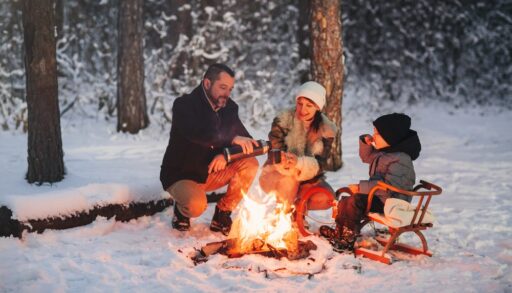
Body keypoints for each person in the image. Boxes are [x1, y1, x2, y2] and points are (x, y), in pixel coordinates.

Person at [160, 63, 259, 235]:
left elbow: (245, 140)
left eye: (230, 89)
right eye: (222, 87)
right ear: (207, 83)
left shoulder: (229, 108)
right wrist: (231, 139)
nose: (226, 94)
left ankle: (222, 213)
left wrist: (225, 155)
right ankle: (181, 209)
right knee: (196, 206)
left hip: (211, 172)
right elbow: (198, 133)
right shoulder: (184, 105)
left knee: (250, 163)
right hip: (182, 175)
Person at [320, 113, 421, 252]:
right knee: (347, 200)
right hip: (382, 197)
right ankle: (340, 231)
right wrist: (365, 142)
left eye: (377, 133)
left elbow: (388, 187)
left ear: (390, 137)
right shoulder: (385, 152)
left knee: (354, 201)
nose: (374, 136)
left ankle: (346, 238)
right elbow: (366, 157)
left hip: (392, 202)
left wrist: (361, 188)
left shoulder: (400, 160)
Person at [259, 81, 337, 214]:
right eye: (300, 104)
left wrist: (300, 163)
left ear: (318, 107)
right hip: (277, 174)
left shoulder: (326, 129)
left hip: (307, 177)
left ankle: (298, 212)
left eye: (309, 105)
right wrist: (285, 160)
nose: (303, 110)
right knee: (290, 178)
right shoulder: (283, 120)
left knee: (326, 197)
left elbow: (320, 163)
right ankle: (283, 214)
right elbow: (274, 149)